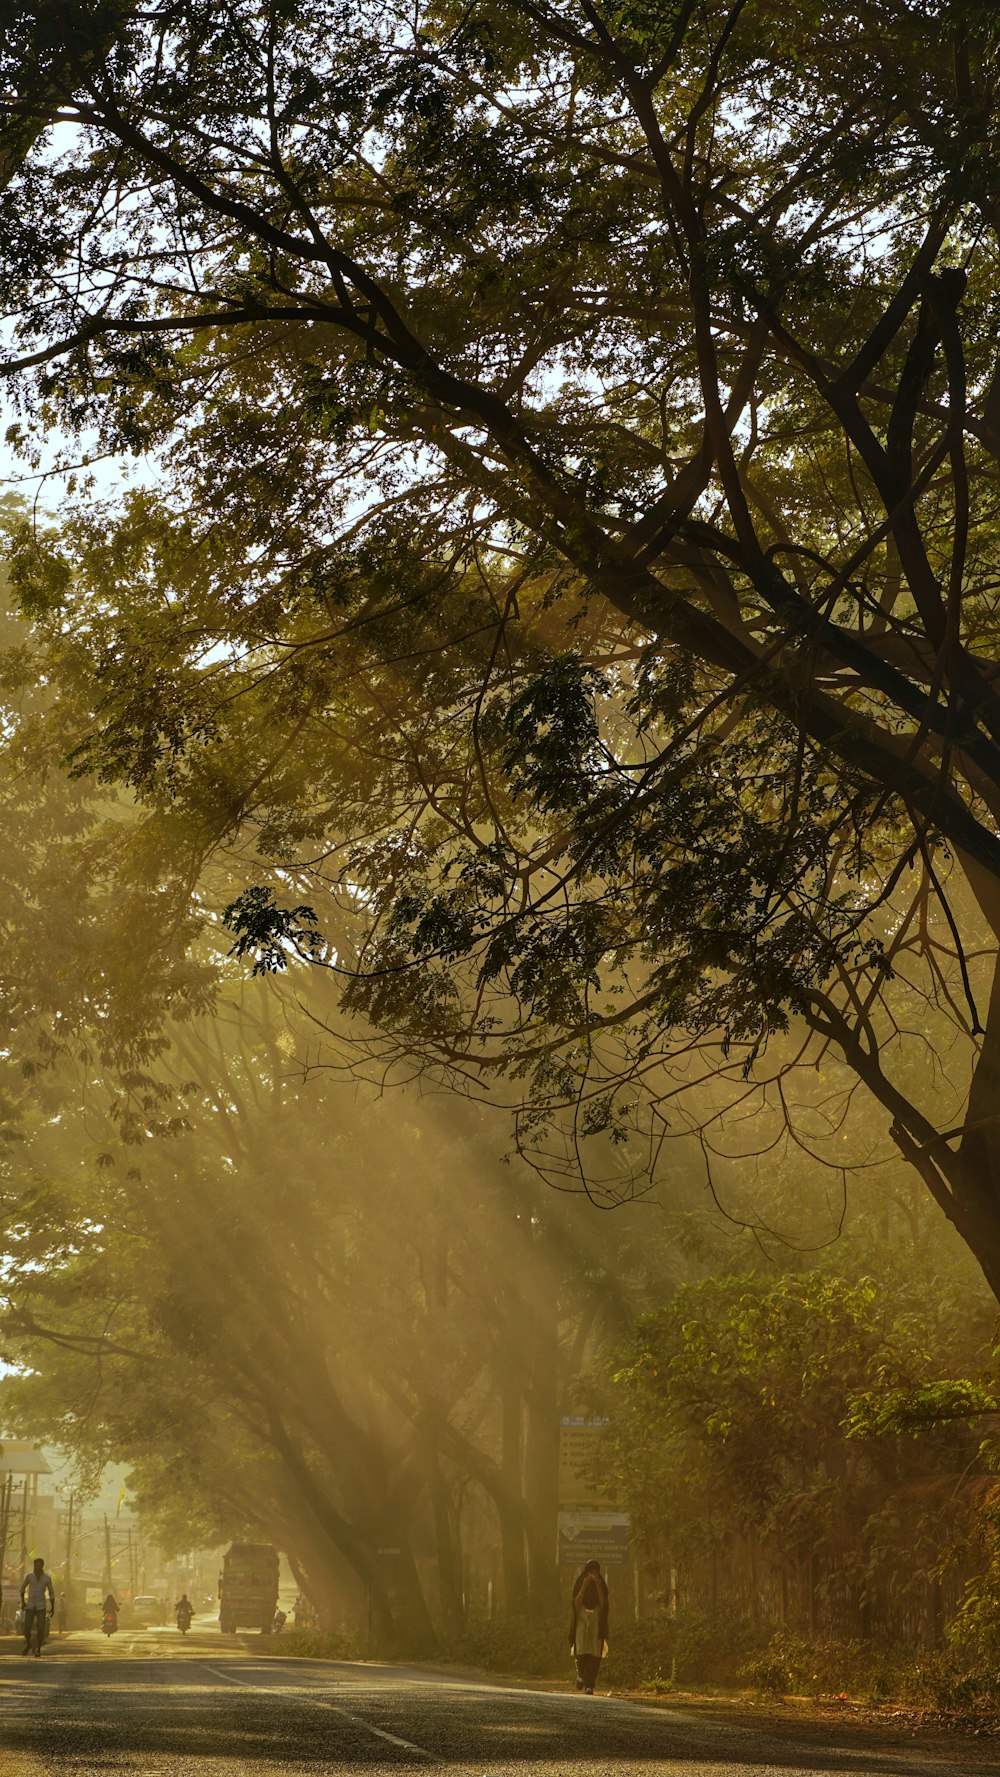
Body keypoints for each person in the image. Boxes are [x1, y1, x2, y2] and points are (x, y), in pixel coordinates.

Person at [569, 1558, 608, 1694]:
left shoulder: (601, 1584)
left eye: (595, 1572)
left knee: (595, 1652)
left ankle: (589, 1683)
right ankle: (582, 1676)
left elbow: (603, 1604)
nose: (593, 1575)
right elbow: (576, 1604)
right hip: (581, 1620)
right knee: (581, 1650)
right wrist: (585, 1586)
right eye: (590, 1572)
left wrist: (597, 1585)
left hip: (596, 1620)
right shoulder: (580, 1583)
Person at [20, 1557, 55, 1657]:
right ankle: (29, 1644)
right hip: (30, 1605)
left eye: (39, 1565)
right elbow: (22, 1589)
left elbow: (51, 1593)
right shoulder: (29, 1576)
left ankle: (38, 1649)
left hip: (41, 1606)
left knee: (41, 1628)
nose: (37, 1567)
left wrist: (53, 1607)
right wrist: (23, 1602)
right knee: (26, 1628)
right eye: (35, 1565)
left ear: (42, 1566)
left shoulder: (47, 1578)